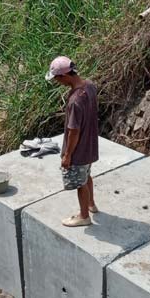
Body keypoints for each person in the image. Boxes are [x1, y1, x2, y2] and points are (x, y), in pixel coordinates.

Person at [45, 56, 99, 227]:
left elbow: (73, 131)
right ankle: (91, 204)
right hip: (90, 144)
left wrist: (67, 155)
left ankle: (84, 216)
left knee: (79, 182)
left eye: (57, 79)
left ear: (64, 76)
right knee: (87, 174)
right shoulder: (89, 86)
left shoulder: (75, 101)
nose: (57, 83)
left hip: (79, 149)